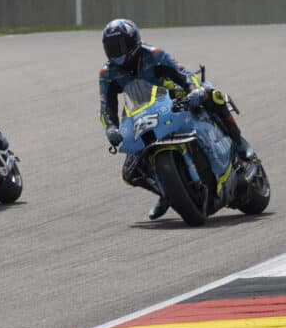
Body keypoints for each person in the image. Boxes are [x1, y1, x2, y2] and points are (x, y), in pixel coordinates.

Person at [98, 19, 254, 220]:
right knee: (131, 172)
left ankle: (238, 141)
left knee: (212, 94)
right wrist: (111, 128)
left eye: (120, 46)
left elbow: (183, 74)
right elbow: (106, 107)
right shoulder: (107, 73)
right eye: (111, 47)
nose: (116, 52)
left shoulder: (153, 55)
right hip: (141, 114)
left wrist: (195, 90)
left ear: (133, 42)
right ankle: (168, 192)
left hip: (174, 97)